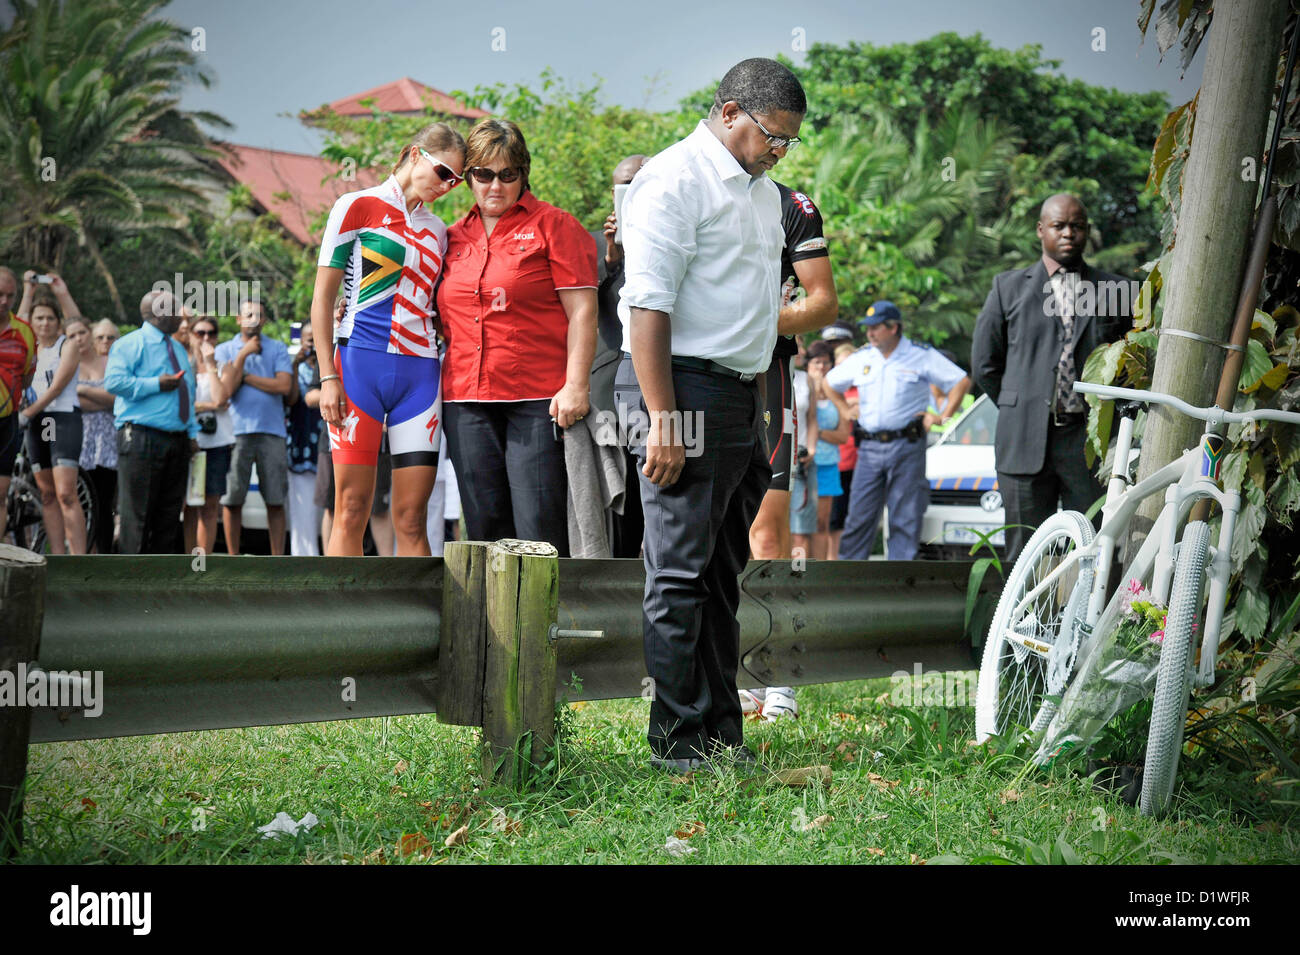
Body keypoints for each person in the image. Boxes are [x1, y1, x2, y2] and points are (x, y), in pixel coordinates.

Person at [616, 57, 806, 771]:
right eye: (770, 136)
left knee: (723, 573)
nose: (778, 151)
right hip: (678, 389)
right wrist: (663, 418)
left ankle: (720, 728)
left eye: (789, 142)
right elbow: (648, 307)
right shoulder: (672, 180)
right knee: (677, 572)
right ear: (729, 112)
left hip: (738, 395)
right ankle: (676, 739)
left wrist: (756, 397)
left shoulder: (761, 193)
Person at [437, 118, 597, 556]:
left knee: (537, 530)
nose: (495, 186)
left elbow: (583, 311)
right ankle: (489, 626)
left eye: (507, 174)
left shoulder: (555, 226)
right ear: (468, 176)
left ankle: (540, 625)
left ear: (523, 173)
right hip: (465, 400)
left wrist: (576, 385)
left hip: (538, 400)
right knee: (484, 529)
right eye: (483, 174)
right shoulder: (448, 237)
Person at [311, 123, 464, 557]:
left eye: (457, 180)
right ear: (414, 154)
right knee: (352, 507)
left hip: (420, 375)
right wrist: (327, 378)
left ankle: (419, 626)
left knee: (413, 519)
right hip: (358, 366)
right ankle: (345, 623)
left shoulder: (439, 230)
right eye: (443, 172)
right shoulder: (355, 206)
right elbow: (322, 300)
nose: (448, 186)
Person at [971, 193, 1134, 564]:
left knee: (1093, 548)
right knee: (1024, 554)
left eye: (1077, 226)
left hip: (1088, 443)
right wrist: (1022, 404)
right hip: (1023, 441)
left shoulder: (1118, 291)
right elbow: (984, 364)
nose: (1068, 234)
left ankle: (1082, 623)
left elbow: (1134, 366)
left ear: (1087, 231)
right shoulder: (1007, 288)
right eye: (1059, 226)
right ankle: (1022, 623)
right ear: (1040, 230)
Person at [825, 301, 971, 560]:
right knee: (859, 515)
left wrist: (943, 415)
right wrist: (844, 410)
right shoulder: (863, 357)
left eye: (876, 327)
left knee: (904, 516)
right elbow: (829, 383)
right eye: (867, 328)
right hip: (869, 446)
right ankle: (848, 581)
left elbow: (960, 381)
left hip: (907, 443)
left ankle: (899, 581)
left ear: (894, 327)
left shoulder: (920, 354)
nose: (870, 333)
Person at [747, 181, 838, 560]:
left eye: (787, 139)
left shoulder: (792, 205)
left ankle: (774, 617)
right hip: (698, 372)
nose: (779, 147)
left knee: (767, 531)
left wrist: (746, 326)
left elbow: (823, 303)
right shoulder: (687, 187)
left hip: (769, 368)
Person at [104, 290, 198, 554]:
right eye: (175, 310)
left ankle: (159, 585)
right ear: (159, 314)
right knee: (137, 516)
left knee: (168, 516)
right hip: (141, 438)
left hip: (177, 441)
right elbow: (113, 382)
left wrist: (191, 434)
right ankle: (131, 583)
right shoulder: (130, 344)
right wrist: (155, 384)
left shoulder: (177, 348)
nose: (181, 316)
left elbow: (187, 392)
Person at [592, 154, 647, 558]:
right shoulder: (594, 243)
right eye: (625, 183)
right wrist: (613, 256)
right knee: (613, 495)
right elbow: (580, 308)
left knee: (653, 493)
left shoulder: (679, 237)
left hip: (661, 391)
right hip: (606, 395)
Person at [17, 275, 88, 554]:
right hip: (38, 423)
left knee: (66, 493)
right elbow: (18, 319)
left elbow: (57, 386)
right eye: (39, 318)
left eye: (50, 318)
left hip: (61, 418)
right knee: (47, 494)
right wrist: (28, 290)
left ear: (57, 322)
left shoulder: (66, 345)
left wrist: (29, 411)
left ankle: (79, 559)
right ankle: (56, 557)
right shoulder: (28, 345)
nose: (44, 323)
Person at [216, 299, 292, 555]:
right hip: (235, 433)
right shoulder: (225, 350)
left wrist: (246, 377)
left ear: (265, 321)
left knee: (275, 500)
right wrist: (243, 355)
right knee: (232, 499)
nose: (254, 319)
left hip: (273, 433)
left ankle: (277, 560)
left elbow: (283, 387)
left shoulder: (278, 348)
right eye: (248, 314)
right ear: (238, 319)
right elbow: (226, 391)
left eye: (259, 315)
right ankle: (233, 558)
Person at [188, 316, 231, 555]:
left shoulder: (224, 364)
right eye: (200, 333)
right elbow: (183, 406)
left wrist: (210, 362)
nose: (206, 338)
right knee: (189, 505)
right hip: (188, 442)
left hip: (216, 444)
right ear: (191, 334)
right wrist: (209, 405)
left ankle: (203, 563)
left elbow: (221, 398)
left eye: (211, 333)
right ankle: (187, 561)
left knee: (210, 506)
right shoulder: (180, 363)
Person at [0, 266, 37, 541]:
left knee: (1, 492)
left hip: (6, 421)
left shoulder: (23, 332)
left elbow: (26, 377)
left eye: (10, 296)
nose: (4, 301)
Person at [76, 318, 119, 554]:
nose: (105, 341)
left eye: (110, 337)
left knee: (104, 504)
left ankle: (103, 556)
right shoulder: (74, 363)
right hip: (79, 442)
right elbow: (71, 402)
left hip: (109, 445)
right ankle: (83, 555)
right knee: (80, 504)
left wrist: (83, 390)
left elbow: (118, 401)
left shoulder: (118, 365)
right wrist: (100, 398)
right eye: (100, 337)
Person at [285, 321, 324, 555]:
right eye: (307, 338)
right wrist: (296, 365)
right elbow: (289, 399)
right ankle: (302, 558)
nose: (311, 342)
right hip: (300, 446)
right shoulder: (294, 367)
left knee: (324, 510)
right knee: (302, 511)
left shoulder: (329, 364)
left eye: (314, 337)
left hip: (325, 443)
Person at [827, 340, 859, 559]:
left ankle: (847, 561)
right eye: (840, 365)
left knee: (854, 517)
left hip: (860, 462)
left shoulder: (862, 388)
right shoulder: (828, 389)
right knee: (832, 519)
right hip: (833, 462)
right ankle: (831, 562)